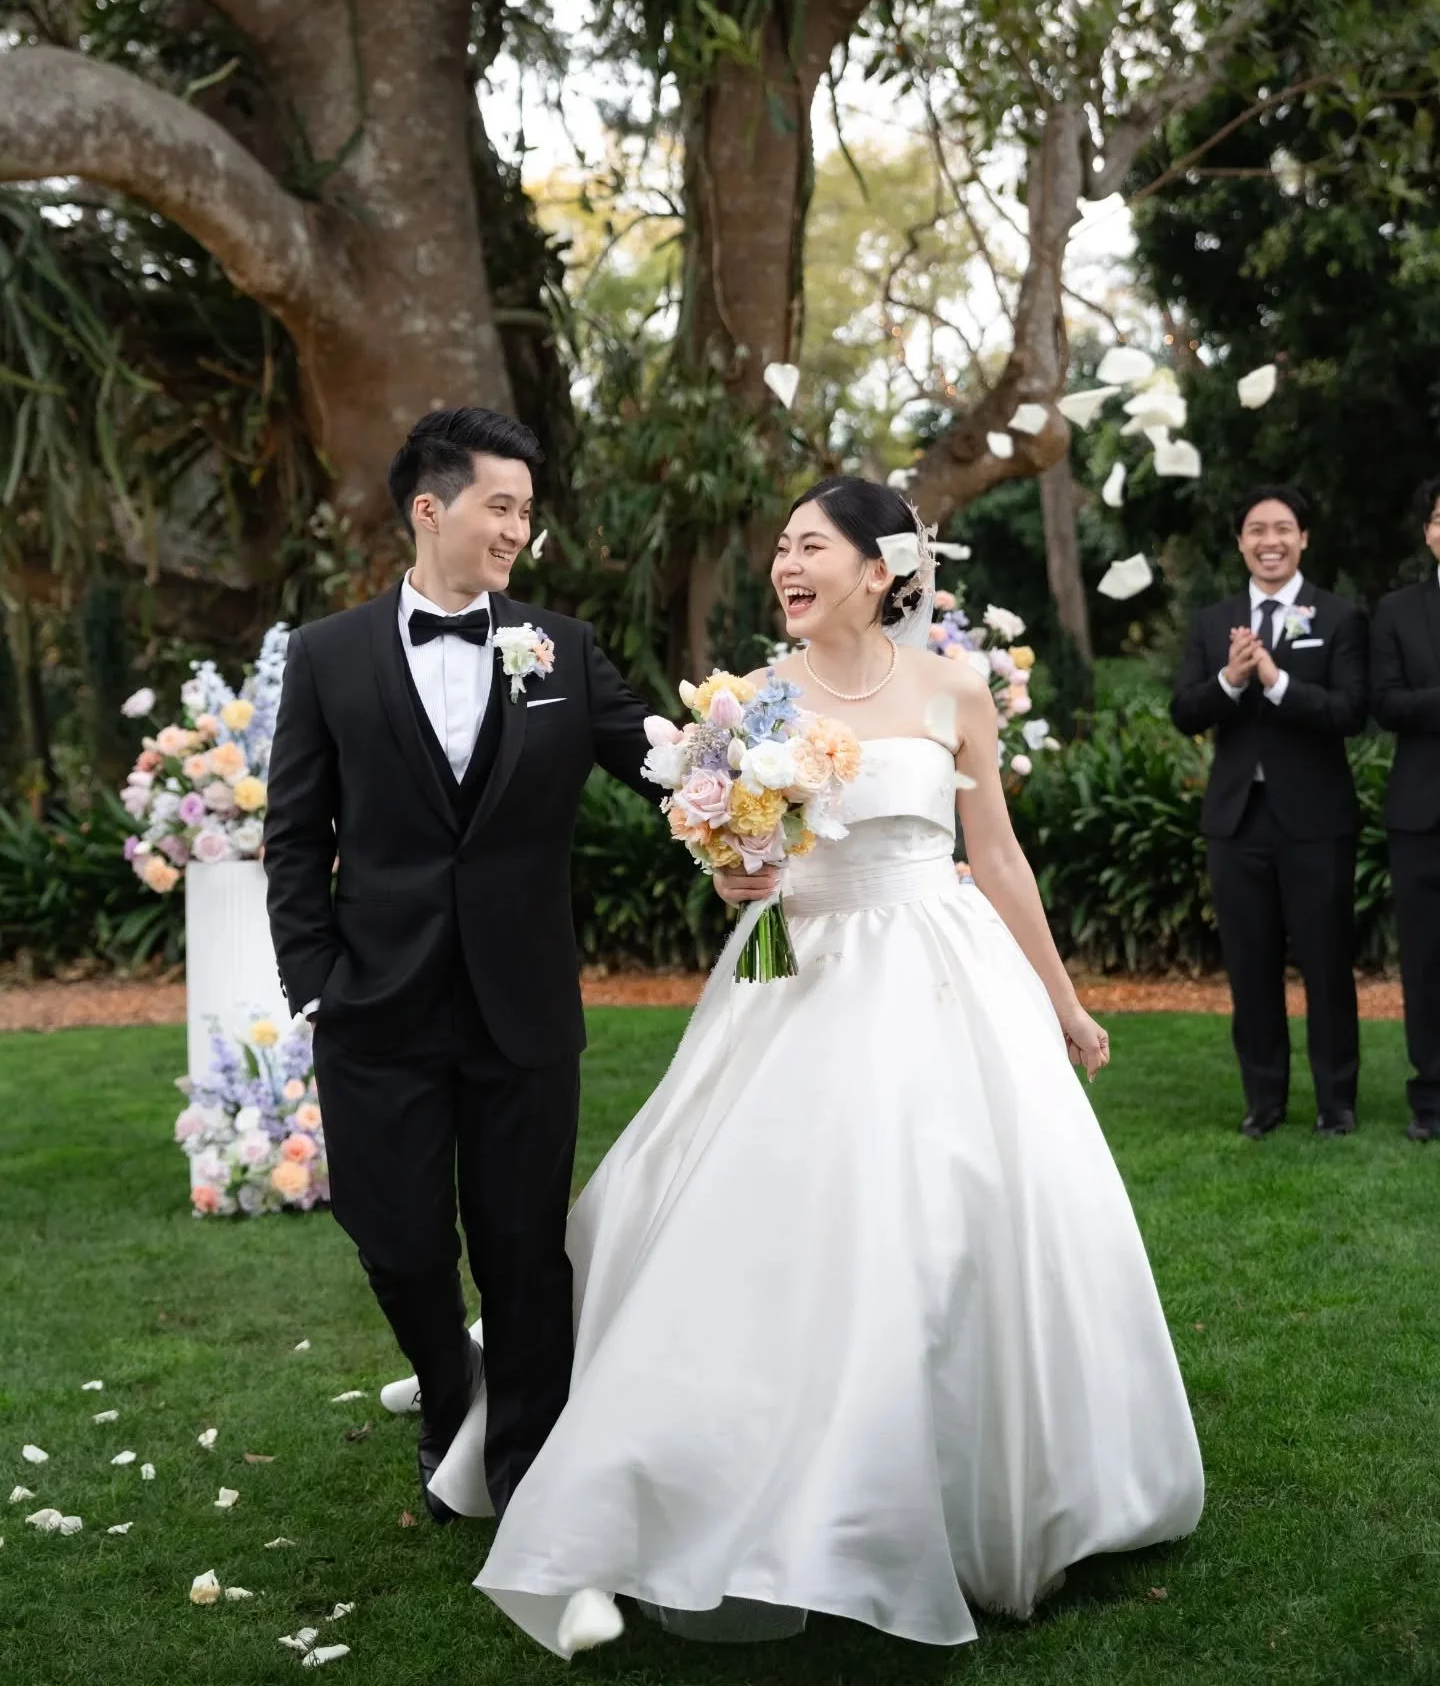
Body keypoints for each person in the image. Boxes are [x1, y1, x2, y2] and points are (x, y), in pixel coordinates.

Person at [426, 478, 1204, 1658]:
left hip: (944, 972)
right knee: (744, 1210)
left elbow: (995, 857)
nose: (785, 566)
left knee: (963, 1212)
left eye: (810, 548)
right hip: (793, 970)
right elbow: (741, 853)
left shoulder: (955, 688)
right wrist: (737, 867)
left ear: (881, 569)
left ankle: (977, 1492)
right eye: (780, 549)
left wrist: (1063, 1000)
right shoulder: (749, 701)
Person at [262, 408, 659, 1526]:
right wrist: (315, 981)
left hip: (522, 1007)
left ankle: (520, 1472)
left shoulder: (562, 648)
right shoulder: (328, 655)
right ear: (430, 508)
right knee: (395, 1242)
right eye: (501, 506)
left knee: (525, 1251)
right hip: (375, 1007)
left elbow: (661, 764)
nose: (518, 531)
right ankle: (450, 1392)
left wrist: (762, 778)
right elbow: (294, 835)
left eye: (527, 512)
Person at [1170, 486, 1368, 1139]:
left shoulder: (1337, 617)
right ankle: (1265, 1100)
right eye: (1256, 529)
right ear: (1240, 542)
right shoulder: (1214, 621)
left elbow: (1349, 713)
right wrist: (1230, 678)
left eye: (1283, 528)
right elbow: (1185, 712)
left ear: (1303, 538)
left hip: (1316, 820)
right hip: (1236, 821)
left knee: (1326, 962)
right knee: (1251, 967)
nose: (1270, 540)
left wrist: (1277, 681)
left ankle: (1336, 1101)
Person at [1371, 477, 1440, 1142]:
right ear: (1429, 532)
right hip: (1422, 815)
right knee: (1424, 962)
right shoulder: (1397, 611)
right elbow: (1385, 703)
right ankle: (1432, 1098)